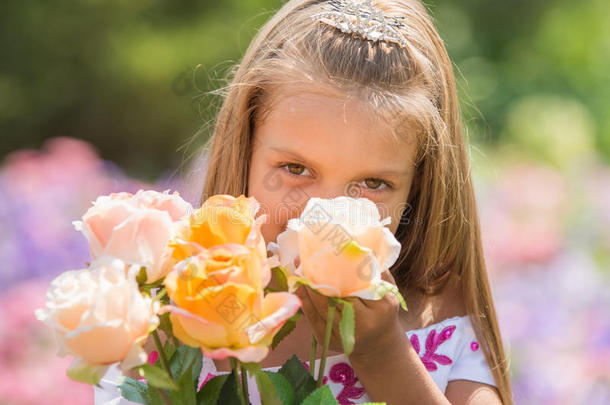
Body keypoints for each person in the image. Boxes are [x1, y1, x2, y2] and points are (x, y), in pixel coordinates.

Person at [95, 0, 512, 404]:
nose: (323, 213)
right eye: (295, 169)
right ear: (244, 151)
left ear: (417, 190)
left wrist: (383, 356)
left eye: (372, 182)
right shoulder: (172, 329)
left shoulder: (442, 316)